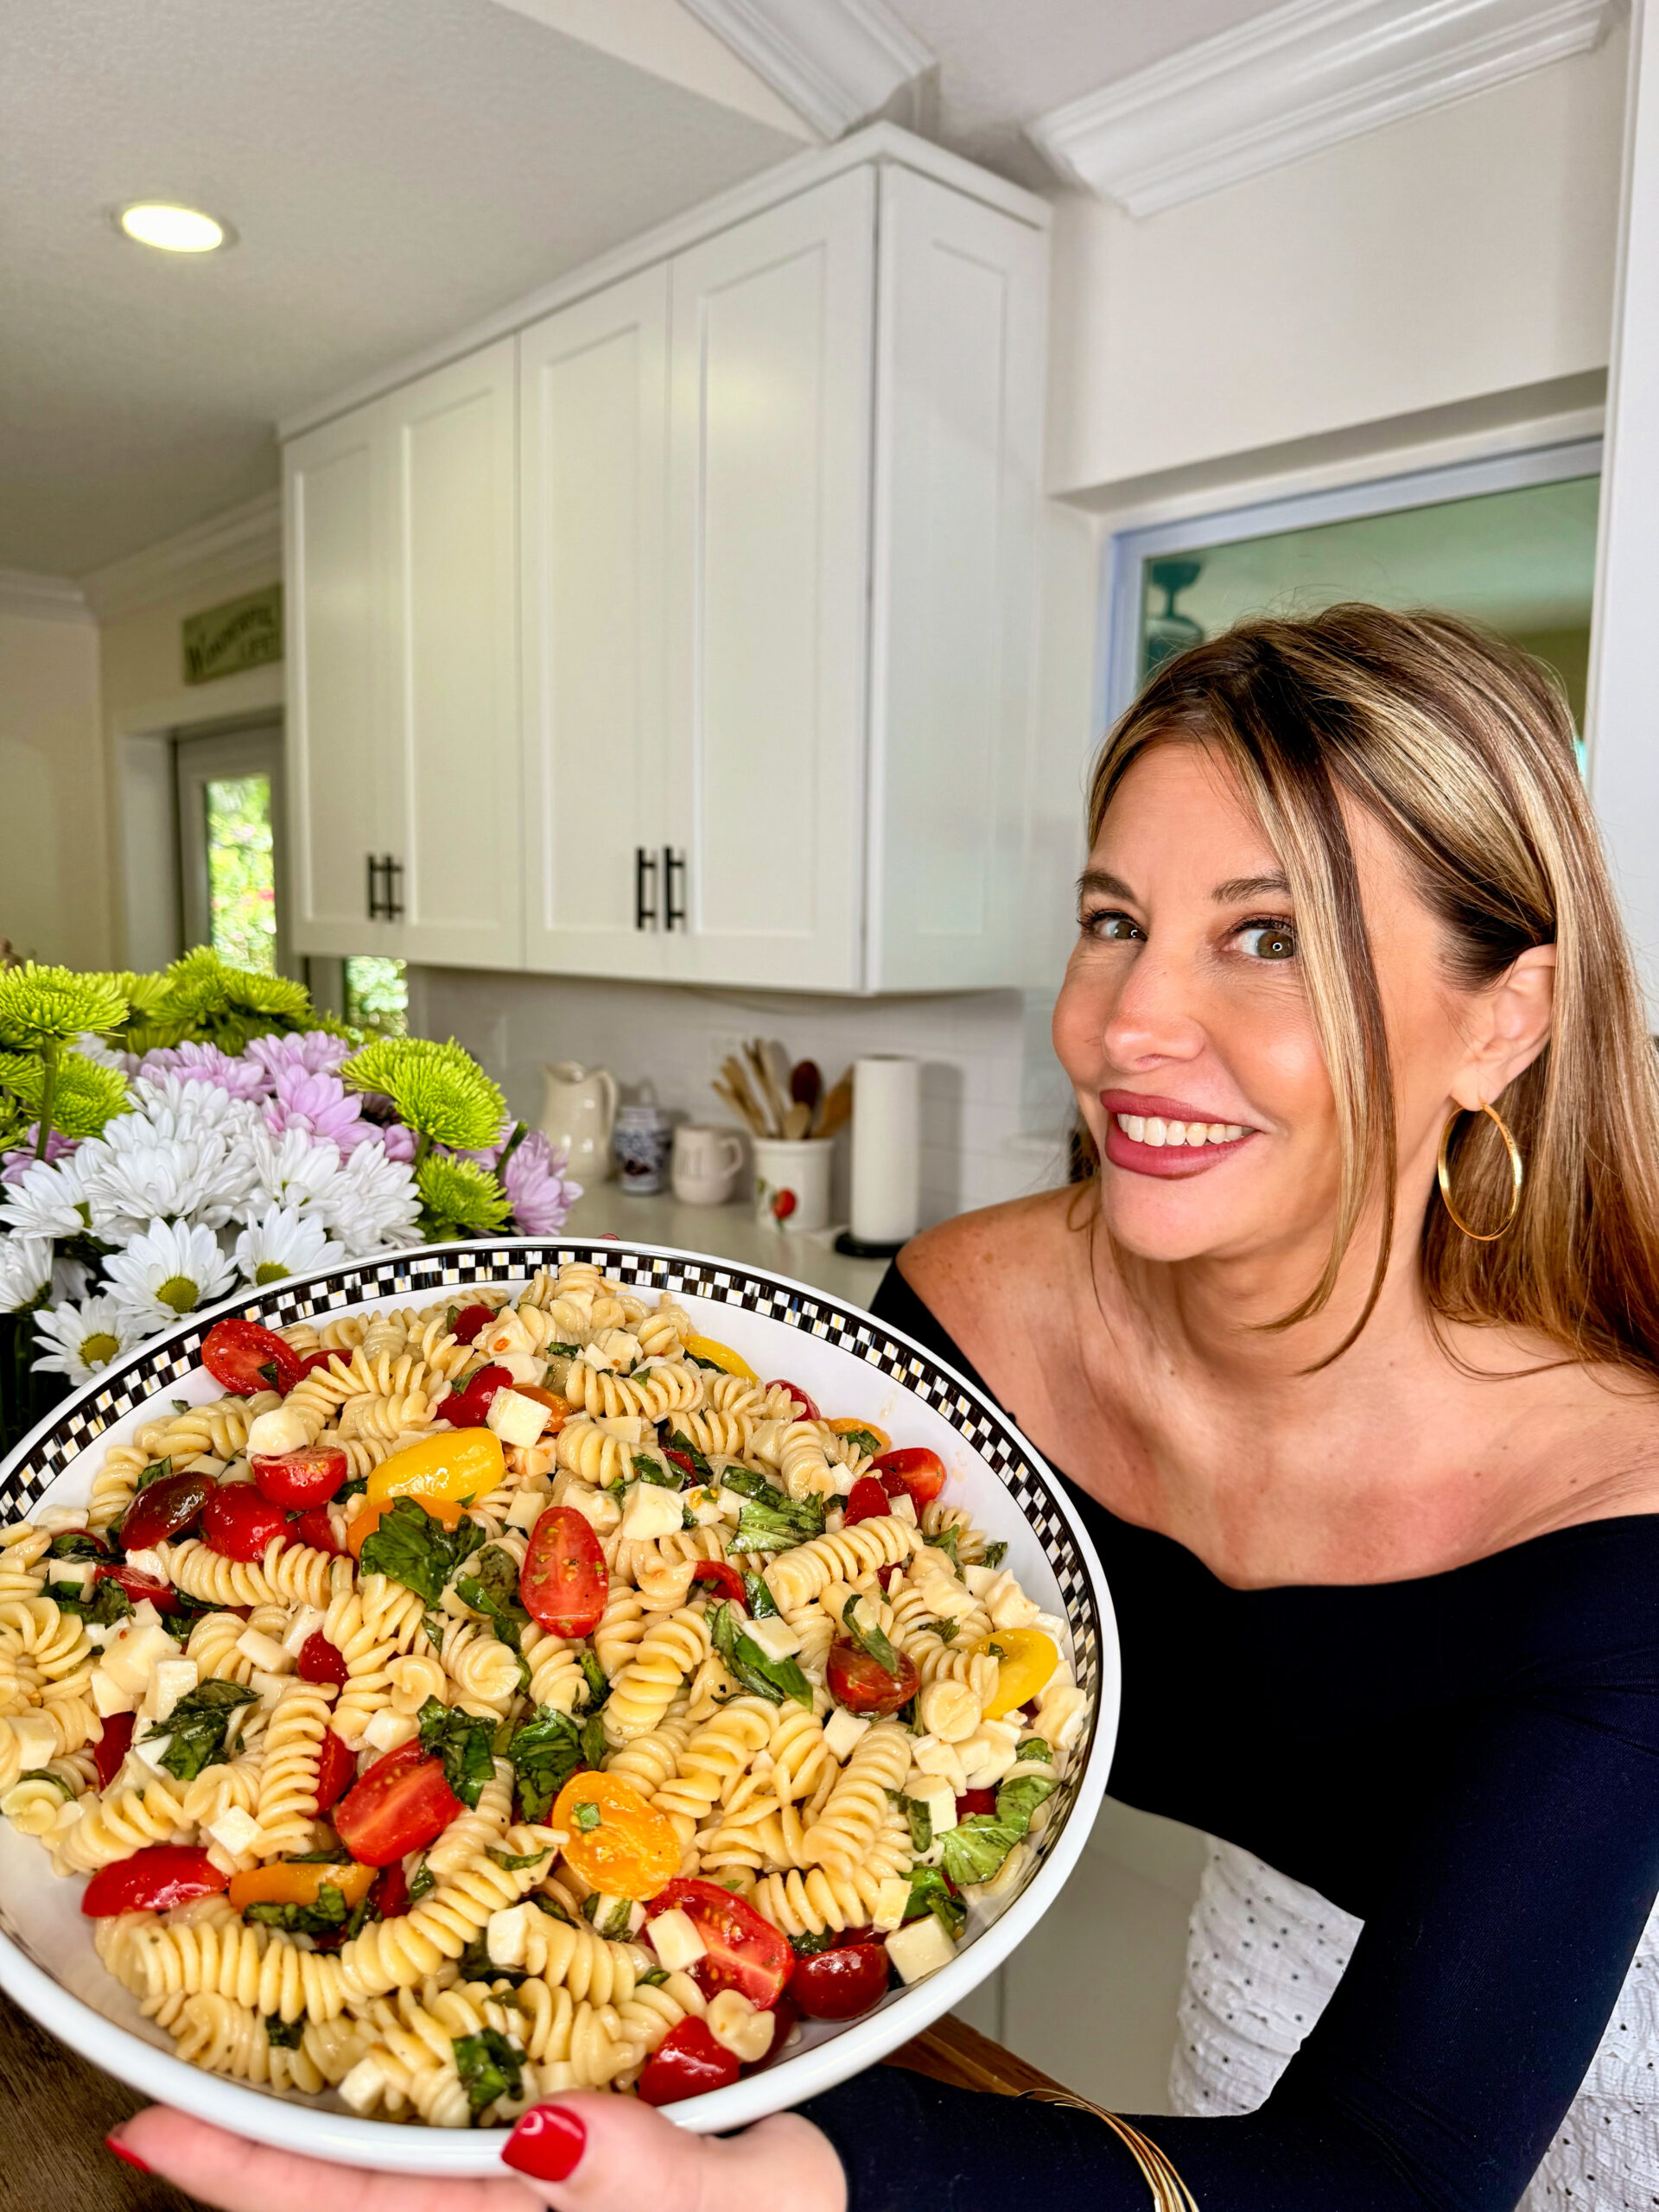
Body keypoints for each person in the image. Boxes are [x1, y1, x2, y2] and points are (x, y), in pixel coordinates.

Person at [107, 606, 1659, 2211]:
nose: (1126, 1028)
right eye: (1114, 920)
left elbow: (1393, 2172)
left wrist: (806, 2188)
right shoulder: (964, 1335)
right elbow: (720, 1724)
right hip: (1251, 2045)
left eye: (1269, 938)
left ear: (1504, 1021)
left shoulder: (1617, 1523)